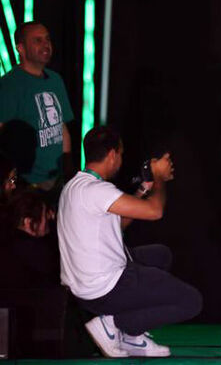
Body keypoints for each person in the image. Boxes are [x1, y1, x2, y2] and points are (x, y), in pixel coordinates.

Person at [57, 126, 201, 358]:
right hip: (105, 288)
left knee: (159, 255)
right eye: (121, 154)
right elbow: (155, 211)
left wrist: (146, 187)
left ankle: (133, 338)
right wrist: (160, 179)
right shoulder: (98, 190)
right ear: (113, 154)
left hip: (83, 287)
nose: (121, 160)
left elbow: (117, 223)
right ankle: (116, 324)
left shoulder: (75, 186)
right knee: (191, 301)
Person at [0, 22, 74, 191]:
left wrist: (68, 167)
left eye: (47, 39)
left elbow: (61, 127)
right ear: (21, 48)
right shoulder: (9, 85)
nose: (46, 44)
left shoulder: (55, 80)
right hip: (27, 183)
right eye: (37, 40)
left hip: (57, 178)